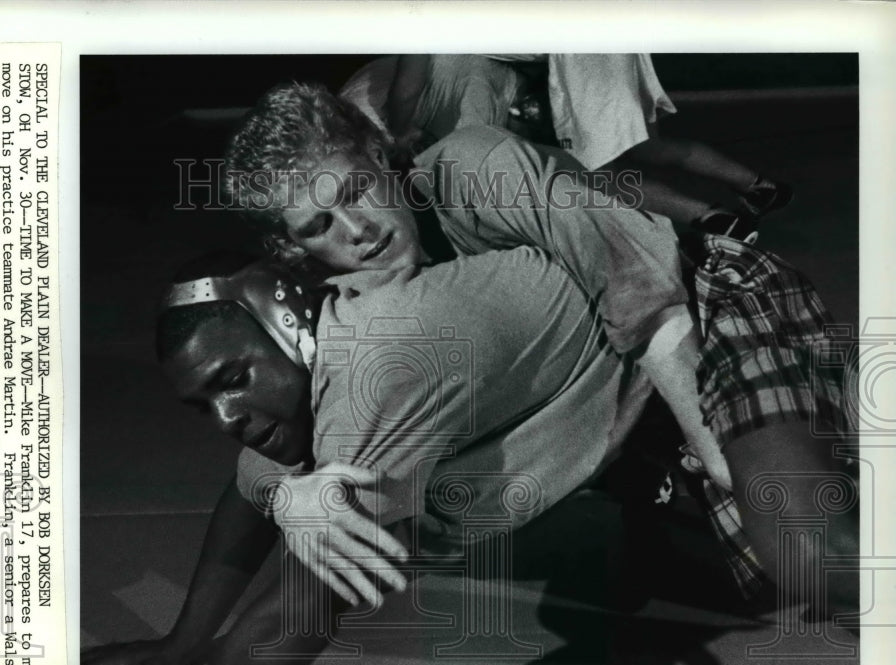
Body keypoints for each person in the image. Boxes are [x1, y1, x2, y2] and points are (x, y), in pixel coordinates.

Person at [223, 82, 856, 613]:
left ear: (379, 157)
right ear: (294, 250)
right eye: (319, 226)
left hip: (699, 304)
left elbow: (645, 297)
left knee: (804, 549)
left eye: (356, 190)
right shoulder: (338, 299)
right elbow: (285, 418)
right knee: (755, 575)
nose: (358, 231)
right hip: (620, 396)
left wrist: (713, 449)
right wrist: (288, 494)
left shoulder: (476, 166)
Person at [84, 239, 659, 665]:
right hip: (608, 406)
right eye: (204, 404)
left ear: (286, 324)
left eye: (233, 381)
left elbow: (308, 600)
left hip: (678, 373)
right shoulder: (321, 344)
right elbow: (249, 490)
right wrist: (180, 647)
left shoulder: (377, 366)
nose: (227, 417)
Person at [344, 53, 792, 240]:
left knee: (590, 175)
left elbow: (476, 179)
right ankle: (756, 186)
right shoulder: (476, 68)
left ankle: (709, 219)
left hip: (584, 51)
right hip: (600, 43)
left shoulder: (471, 80)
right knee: (647, 149)